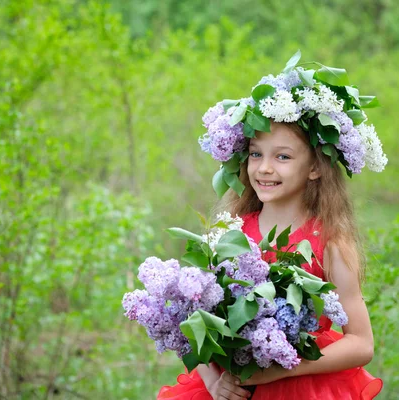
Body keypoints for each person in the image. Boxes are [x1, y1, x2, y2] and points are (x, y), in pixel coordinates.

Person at [159, 51, 386, 399]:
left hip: (303, 385)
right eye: (255, 153)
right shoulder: (230, 233)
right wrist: (213, 381)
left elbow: (361, 343)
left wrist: (286, 366)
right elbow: (192, 322)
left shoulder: (329, 241)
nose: (264, 168)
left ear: (314, 168)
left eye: (282, 156)